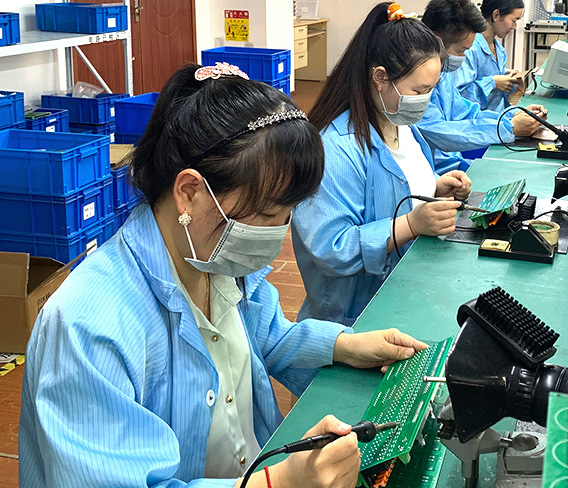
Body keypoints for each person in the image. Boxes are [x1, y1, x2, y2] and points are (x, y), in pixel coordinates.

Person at [19, 62, 428, 488]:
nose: (278, 235)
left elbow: (266, 337)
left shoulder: (214, 258)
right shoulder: (89, 328)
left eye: (288, 214)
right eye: (266, 215)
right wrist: (278, 483)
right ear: (190, 193)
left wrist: (345, 346)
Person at [291, 2, 471, 326]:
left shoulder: (401, 124)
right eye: (419, 90)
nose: (425, 100)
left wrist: (433, 186)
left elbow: (396, 183)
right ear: (380, 78)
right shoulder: (337, 149)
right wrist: (411, 225)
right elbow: (332, 249)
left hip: (408, 289)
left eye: (431, 89)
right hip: (358, 317)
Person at [417, 0, 548, 172]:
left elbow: (466, 112)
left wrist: (511, 116)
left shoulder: (443, 74)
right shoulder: (417, 83)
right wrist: (508, 128)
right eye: (461, 51)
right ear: (437, 43)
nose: (463, 57)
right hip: (436, 170)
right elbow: (438, 132)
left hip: (450, 163)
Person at [454, 0, 526, 112]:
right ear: (496, 15)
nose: (514, 27)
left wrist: (508, 77)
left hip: (497, 115)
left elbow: (490, 76)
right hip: (477, 119)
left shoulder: (499, 50)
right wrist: (492, 83)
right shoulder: (469, 49)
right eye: (513, 21)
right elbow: (460, 96)